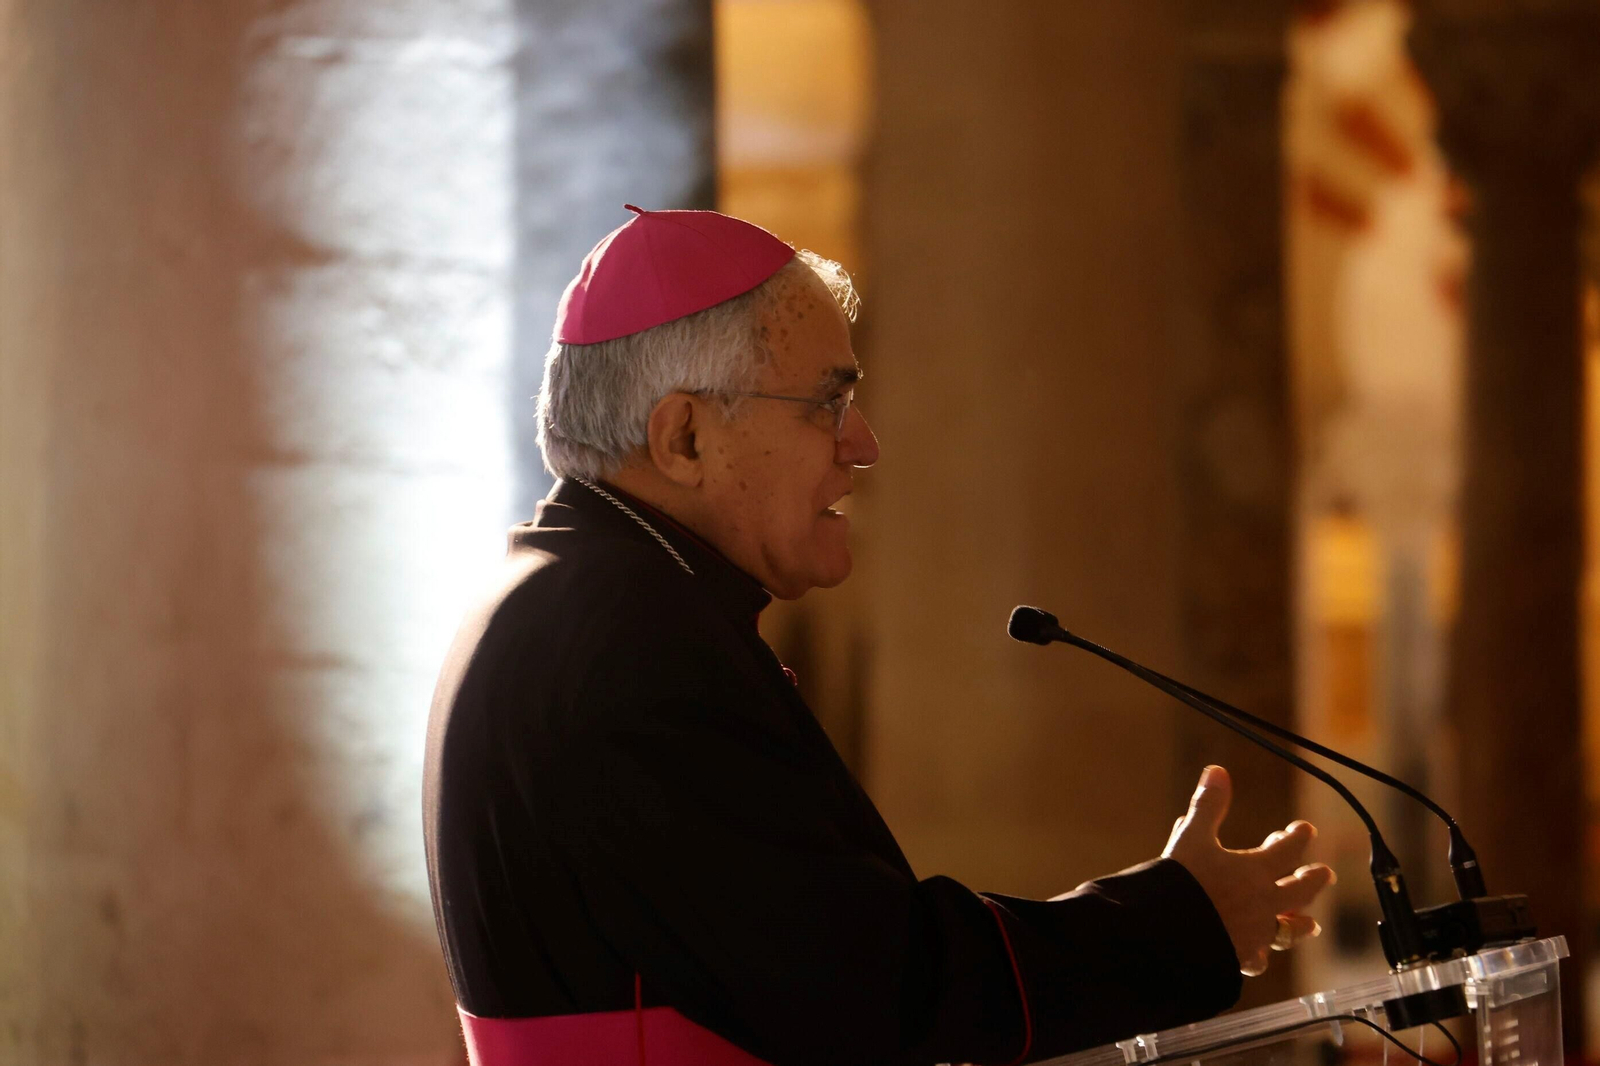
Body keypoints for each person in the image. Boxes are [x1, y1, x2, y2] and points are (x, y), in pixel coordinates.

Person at [422, 206, 1334, 1066]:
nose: (861, 444)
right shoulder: (630, 643)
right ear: (685, 437)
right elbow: (867, 982)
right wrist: (1178, 924)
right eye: (825, 403)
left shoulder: (564, 602)